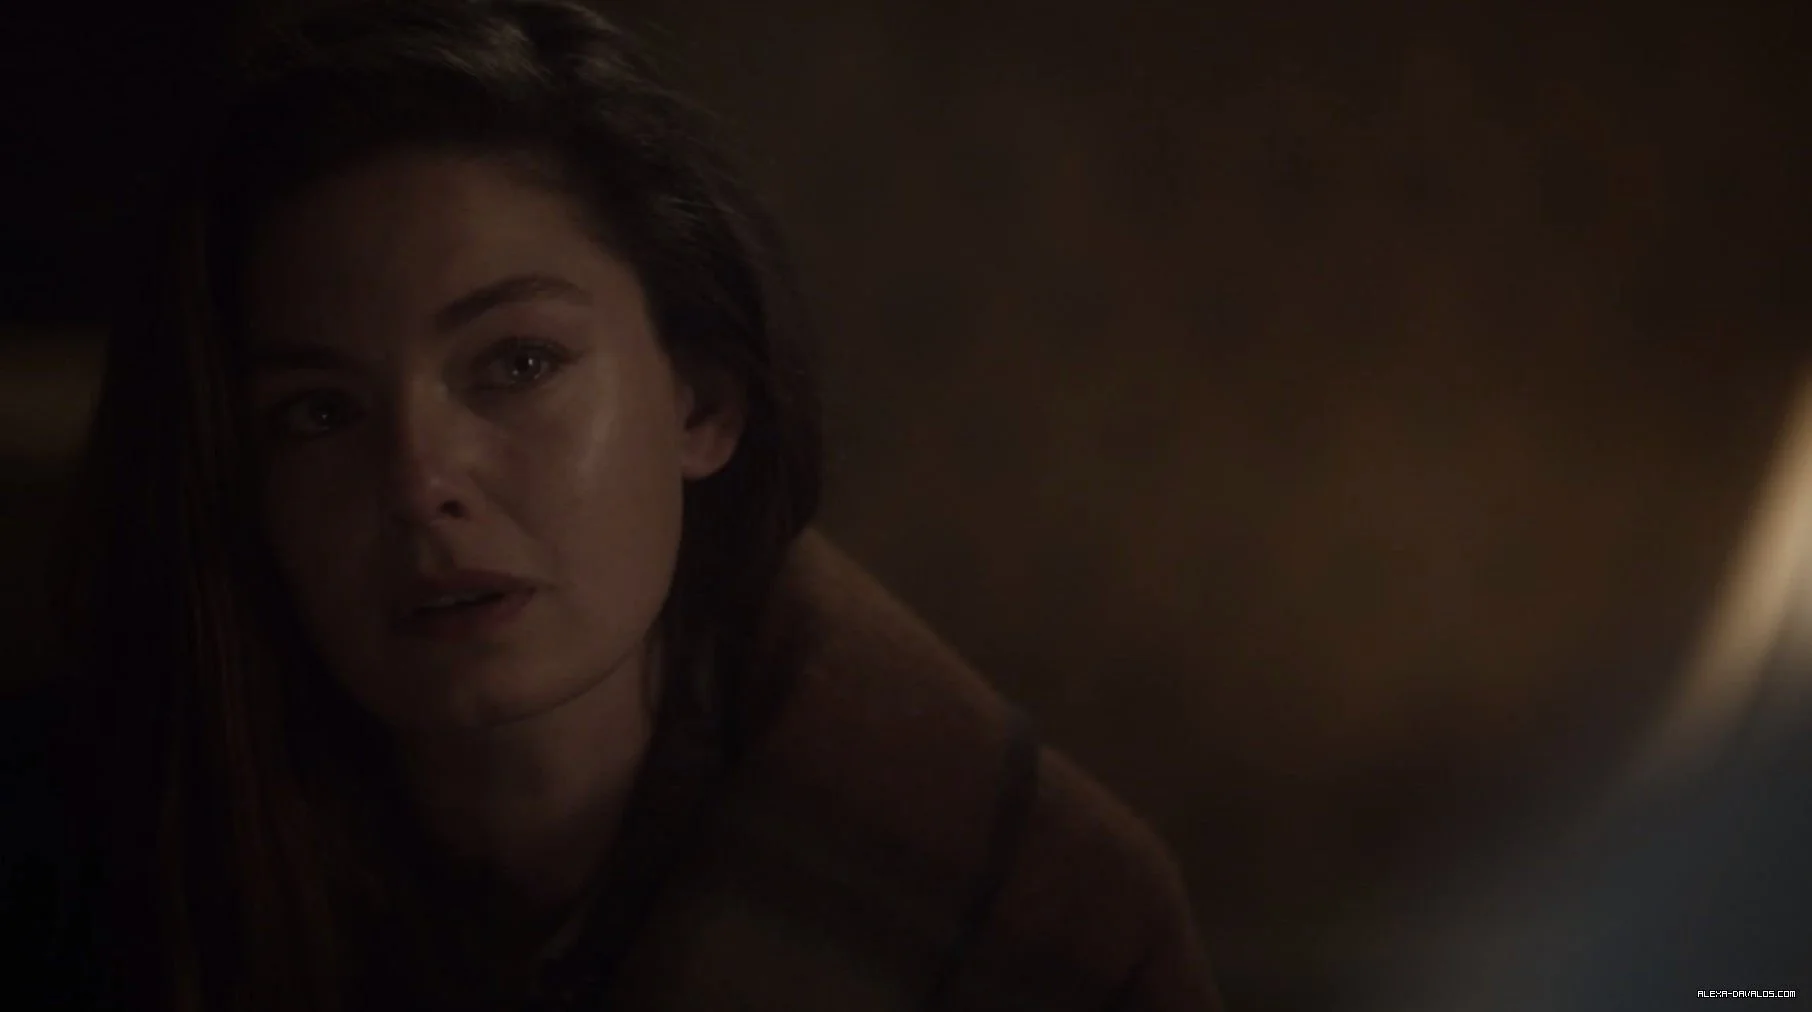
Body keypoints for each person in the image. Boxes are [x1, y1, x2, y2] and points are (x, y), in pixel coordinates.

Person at [0, 1, 1223, 1009]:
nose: (419, 481)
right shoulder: (83, 860)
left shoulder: (1024, 913)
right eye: (319, 413)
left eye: (519, 362)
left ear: (701, 404)